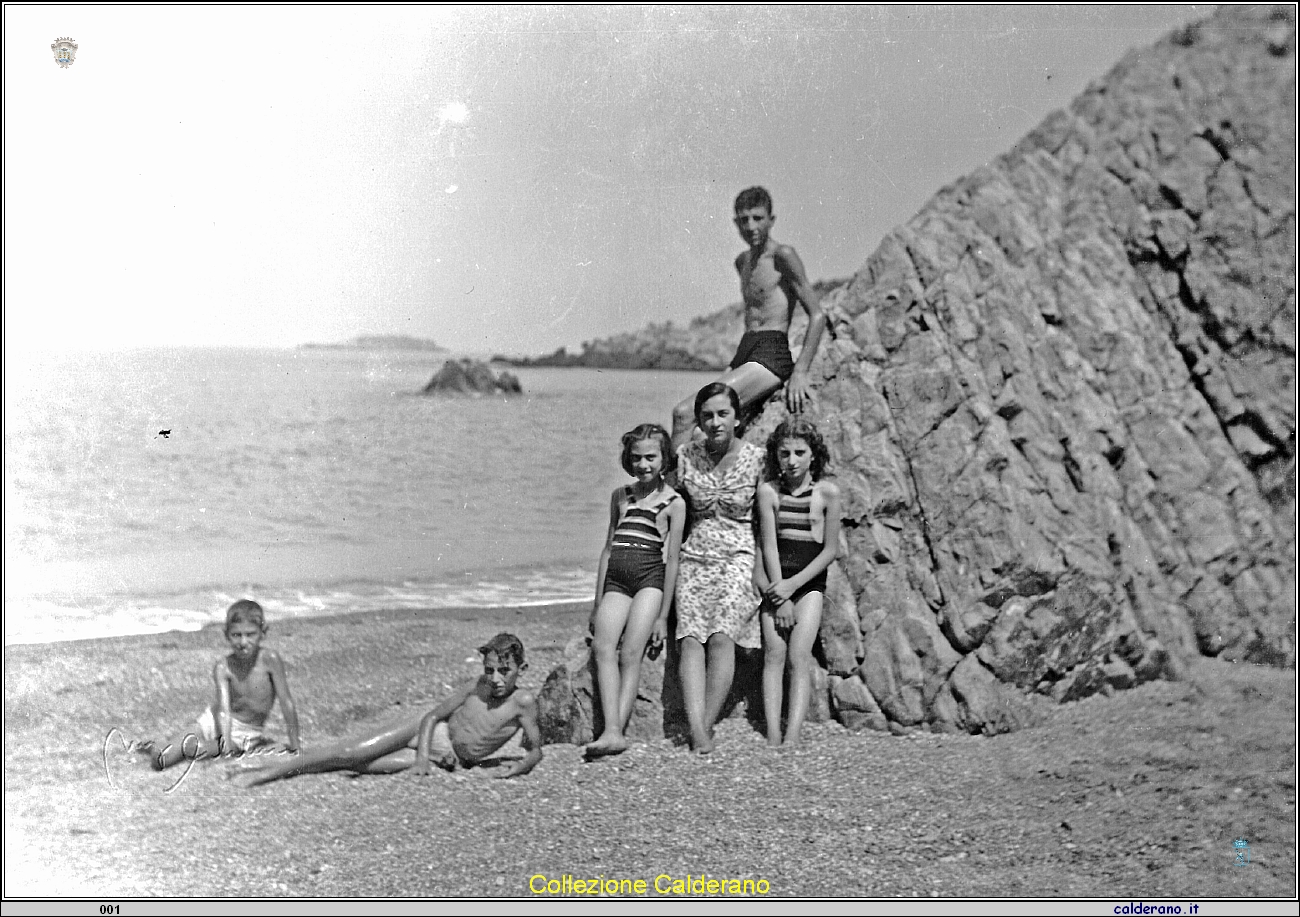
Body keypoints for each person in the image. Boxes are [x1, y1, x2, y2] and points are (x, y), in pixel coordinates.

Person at [239, 633, 541, 785]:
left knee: (357, 765)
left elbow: (535, 751)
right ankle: (267, 773)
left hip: (446, 758)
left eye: (505, 671)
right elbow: (434, 715)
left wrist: (520, 767)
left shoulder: (523, 704)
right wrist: (423, 757)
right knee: (349, 752)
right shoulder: (477, 685)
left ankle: (287, 768)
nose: (496, 679)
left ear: (521, 668)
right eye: (490, 670)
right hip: (426, 729)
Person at [671, 186, 826, 449]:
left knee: (685, 414)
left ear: (771, 220)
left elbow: (818, 315)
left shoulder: (783, 256)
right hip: (745, 350)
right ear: (736, 223)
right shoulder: (742, 262)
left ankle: (669, 489)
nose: (751, 226)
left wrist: (800, 371)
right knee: (700, 431)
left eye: (758, 218)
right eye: (744, 220)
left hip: (770, 354)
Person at [674, 383, 766, 753]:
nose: (715, 422)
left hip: (739, 554)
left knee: (721, 635)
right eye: (708, 415)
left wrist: (760, 565)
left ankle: (702, 726)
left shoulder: (757, 458)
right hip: (694, 554)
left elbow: (765, 520)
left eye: (722, 414)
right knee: (690, 638)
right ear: (699, 420)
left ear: (737, 417)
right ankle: (698, 727)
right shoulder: (686, 456)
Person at [585, 424, 686, 759]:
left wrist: (662, 616)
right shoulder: (620, 496)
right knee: (603, 647)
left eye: (651, 458)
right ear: (628, 459)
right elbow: (607, 550)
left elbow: (672, 560)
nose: (644, 465)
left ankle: (614, 730)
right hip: (617, 580)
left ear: (664, 458)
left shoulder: (673, 503)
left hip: (649, 580)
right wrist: (597, 603)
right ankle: (611, 728)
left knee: (631, 653)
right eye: (637, 458)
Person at [755, 419, 841, 747]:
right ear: (775, 456)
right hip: (778, 586)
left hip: (809, 584)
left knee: (798, 655)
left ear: (813, 456)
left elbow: (830, 550)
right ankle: (773, 734)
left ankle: (792, 734)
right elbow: (770, 546)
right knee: (774, 655)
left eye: (799, 453)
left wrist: (794, 588)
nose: (792, 460)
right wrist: (780, 594)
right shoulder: (769, 492)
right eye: (784, 453)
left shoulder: (827, 493)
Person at [139, 599, 301, 770]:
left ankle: (168, 745)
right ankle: (156, 747)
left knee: (193, 749)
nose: (243, 642)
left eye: (250, 634)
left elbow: (286, 703)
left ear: (263, 632)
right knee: (161, 759)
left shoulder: (270, 660)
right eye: (236, 635)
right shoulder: (223, 667)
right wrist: (226, 745)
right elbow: (224, 710)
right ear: (226, 635)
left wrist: (296, 746)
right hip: (213, 720)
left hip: (245, 732)